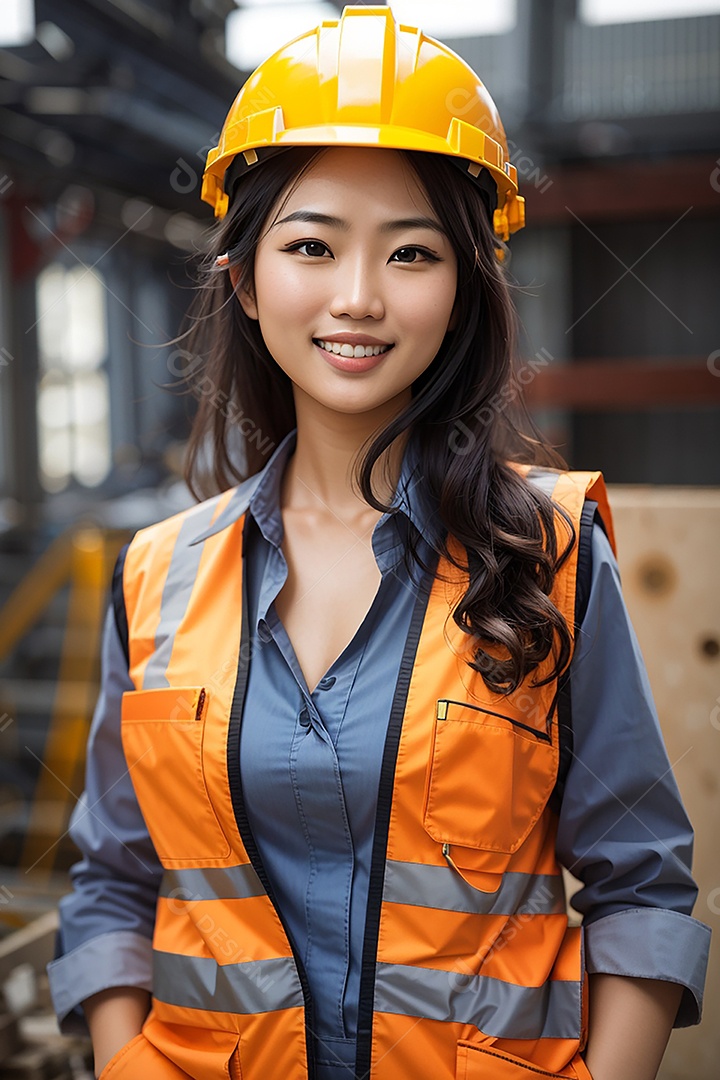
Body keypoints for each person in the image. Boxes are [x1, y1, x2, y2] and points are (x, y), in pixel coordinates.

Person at [47, 6, 710, 1080]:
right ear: (248, 277)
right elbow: (113, 884)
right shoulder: (159, 578)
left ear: (462, 292)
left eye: (411, 252)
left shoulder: (546, 552)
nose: (358, 297)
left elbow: (638, 883)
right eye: (312, 245)